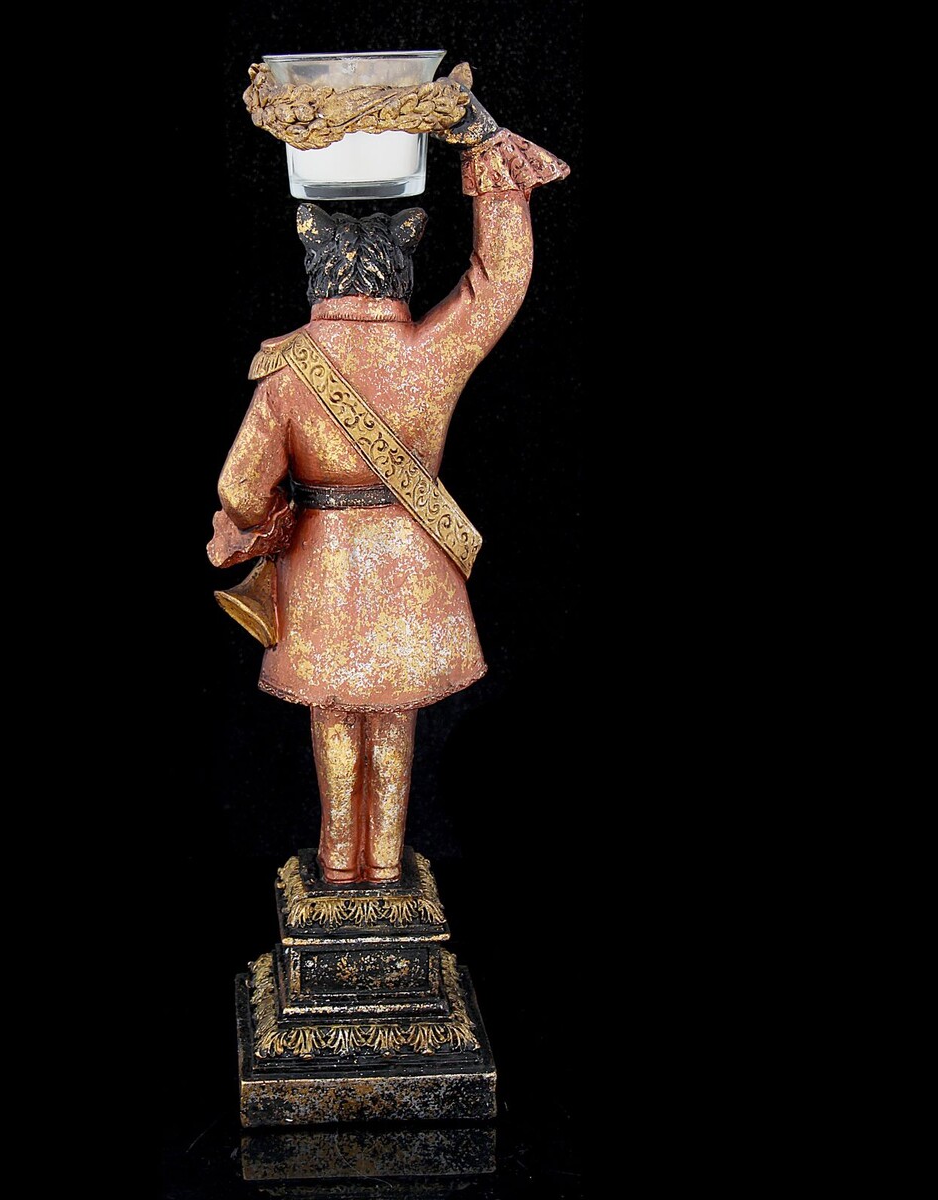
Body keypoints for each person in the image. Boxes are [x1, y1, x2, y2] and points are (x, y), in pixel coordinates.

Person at [208, 78, 568, 885]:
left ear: (317, 267)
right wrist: (489, 154)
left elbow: (239, 489)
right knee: (394, 715)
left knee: (335, 715)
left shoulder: (286, 372)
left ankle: (340, 867)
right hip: (413, 555)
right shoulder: (432, 354)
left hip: (323, 561)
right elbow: (500, 279)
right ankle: (382, 865)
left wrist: (265, 519)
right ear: (402, 263)